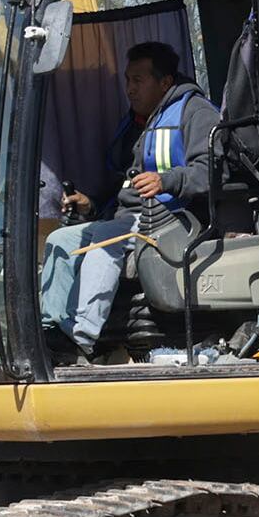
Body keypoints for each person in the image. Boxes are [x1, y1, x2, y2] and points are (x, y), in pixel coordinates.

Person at [38, 41, 220, 359]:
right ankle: (52, 330)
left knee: (105, 241)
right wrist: (91, 204)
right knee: (61, 240)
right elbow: (123, 188)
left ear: (165, 82)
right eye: (127, 80)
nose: (129, 89)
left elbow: (211, 173)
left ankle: (80, 337)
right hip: (132, 219)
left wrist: (167, 180)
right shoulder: (137, 124)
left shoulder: (196, 112)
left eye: (138, 80)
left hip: (175, 219)